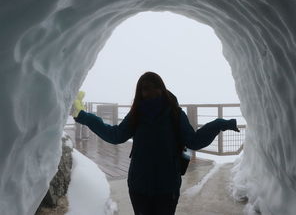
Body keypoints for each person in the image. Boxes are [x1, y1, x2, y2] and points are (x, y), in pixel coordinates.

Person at [70, 71, 239, 215]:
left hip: (167, 188)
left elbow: (193, 141)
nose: (150, 92)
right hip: (140, 187)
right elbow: (116, 135)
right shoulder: (137, 114)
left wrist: (219, 124)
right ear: (140, 92)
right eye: (145, 89)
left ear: (161, 88)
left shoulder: (175, 114)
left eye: (154, 87)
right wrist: (84, 116)